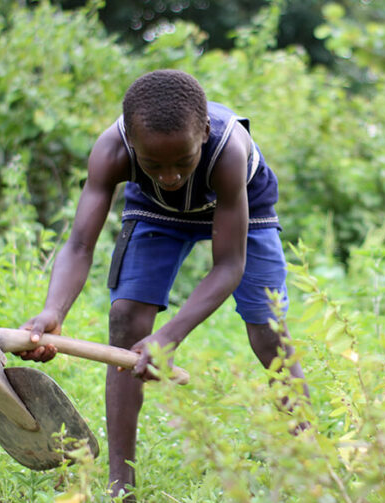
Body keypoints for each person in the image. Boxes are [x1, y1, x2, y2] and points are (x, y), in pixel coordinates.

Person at [18, 69, 309, 501]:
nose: (171, 175)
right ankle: (122, 486)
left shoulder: (227, 151)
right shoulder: (111, 151)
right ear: (133, 146)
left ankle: (309, 460)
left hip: (241, 202)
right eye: (154, 163)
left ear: (204, 133)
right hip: (155, 211)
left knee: (268, 333)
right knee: (125, 321)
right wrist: (53, 312)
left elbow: (228, 265)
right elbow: (80, 244)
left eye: (183, 161)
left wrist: (169, 337)